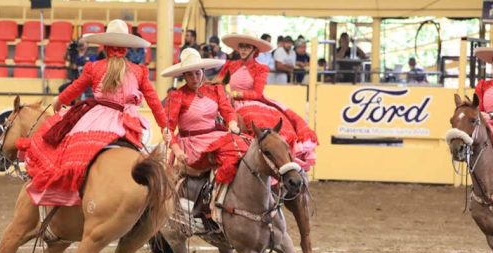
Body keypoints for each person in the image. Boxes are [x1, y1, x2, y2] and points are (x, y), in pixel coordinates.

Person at [16, 19, 168, 206]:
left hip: (98, 118)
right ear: (127, 47)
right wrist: (165, 126)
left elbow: (75, 89)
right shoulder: (139, 71)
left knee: (67, 149)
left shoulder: (94, 67)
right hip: (129, 121)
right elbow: (154, 101)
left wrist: (58, 101)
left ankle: (67, 191)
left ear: (105, 46)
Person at [217, 32, 318, 171]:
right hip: (231, 103)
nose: (243, 50)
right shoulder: (230, 65)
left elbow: (257, 93)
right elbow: (217, 83)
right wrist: (222, 93)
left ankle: (272, 160)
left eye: (247, 47)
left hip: (251, 102)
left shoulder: (261, 68)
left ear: (254, 50)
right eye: (241, 46)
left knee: (256, 122)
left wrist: (234, 94)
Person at [161, 48, 246, 184]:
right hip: (192, 143)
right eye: (189, 75)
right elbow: (167, 128)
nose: (194, 78)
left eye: (197, 73)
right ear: (184, 75)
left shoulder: (216, 89)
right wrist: (176, 151)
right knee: (233, 152)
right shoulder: (177, 96)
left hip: (215, 136)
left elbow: (228, 111)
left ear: (203, 71)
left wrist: (232, 124)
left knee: (248, 147)